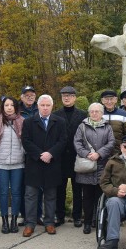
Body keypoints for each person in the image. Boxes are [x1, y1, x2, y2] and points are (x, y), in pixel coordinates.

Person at [21, 94, 67, 236]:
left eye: (48, 105)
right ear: (38, 106)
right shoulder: (28, 122)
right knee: (30, 195)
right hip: (34, 163)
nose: (45, 108)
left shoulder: (60, 122)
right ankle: (30, 223)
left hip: (52, 163)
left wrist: (50, 154)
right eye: (43, 105)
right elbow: (26, 141)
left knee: (51, 195)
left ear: (52, 106)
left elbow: (63, 140)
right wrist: (40, 154)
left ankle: (49, 223)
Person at [73, 103, 115, 234]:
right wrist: (87, 154)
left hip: (102, 166)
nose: (95, 113)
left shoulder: (107, 127)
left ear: (102, 113)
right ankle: (87, 222)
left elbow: (111, 142)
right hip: (87, 166)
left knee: (100, 196)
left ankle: (97, 220)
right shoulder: (82, 126)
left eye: (97, 111)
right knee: (87, 197)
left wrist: (99, 153)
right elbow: (77, 142)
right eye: (92, 111)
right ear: (89, 113)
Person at [0, 96, 25, 234]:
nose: (9, 107)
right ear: (2, 107)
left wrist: (22, 153)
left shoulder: (22, 121)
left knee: (16, 193)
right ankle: (4, 222)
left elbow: (26, 141)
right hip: (1, 164)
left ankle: (14, 220)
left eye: (12, 105)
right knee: (3, 193)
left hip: (18, 164)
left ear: (16, 107)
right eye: (6, 105)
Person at [53, 86, 87, 227]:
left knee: (77, 189)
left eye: (69, 95)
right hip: (60, 157)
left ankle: (77, 216)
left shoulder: (83, 115)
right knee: (59, 189)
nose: (66, 98)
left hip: (76, 156)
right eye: (64, 95)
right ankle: (59, 215)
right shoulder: (55, 115)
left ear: (74, 97)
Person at [17, 85, 40, 223]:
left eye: (32, 94)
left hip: (38, 153)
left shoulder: (41, 109)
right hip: (21, 153)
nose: (29, 97)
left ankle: (37, 215)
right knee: (22, 186)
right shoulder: (17, 110)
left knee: (38, 186)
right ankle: (24, 215)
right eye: (26, 95)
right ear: (21, 97)